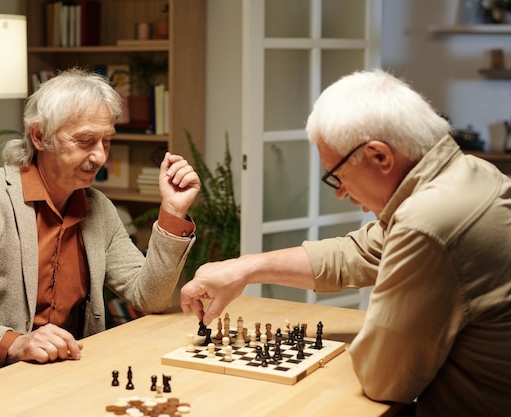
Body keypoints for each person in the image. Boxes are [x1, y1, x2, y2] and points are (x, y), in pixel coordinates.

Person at [180, 69, 511, 416]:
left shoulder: (429, 221)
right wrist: (244, 267)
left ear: (380, 156)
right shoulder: (469, 173)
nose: (340, 193)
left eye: (337, 176)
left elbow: (384, 380)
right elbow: (360, 252)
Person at [0, 68, 200, 403]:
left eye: (107, 140)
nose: (100, 156)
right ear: (39, 136)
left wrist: (172, 212)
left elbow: (149, 297)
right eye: (85, 141)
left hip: (57, 382)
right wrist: (15, 344)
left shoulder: (98, 208)